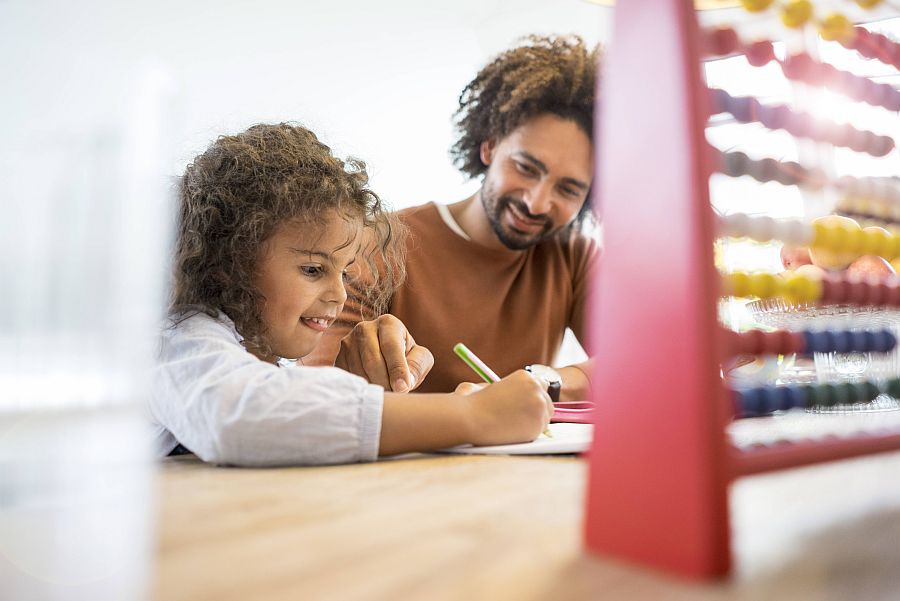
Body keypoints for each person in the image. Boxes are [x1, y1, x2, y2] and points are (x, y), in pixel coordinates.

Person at [149, 123, 553, 466]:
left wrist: (352, 385)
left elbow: (282, 420)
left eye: (344, 272)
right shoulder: (176, 337)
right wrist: (471, 414)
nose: (340, 294)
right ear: (226, 263)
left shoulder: (251, 356)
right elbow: (235, 417)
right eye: (313, 269)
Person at [310, 35, 600, 400]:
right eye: (526, 167)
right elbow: (317, 393)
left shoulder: (573, 257)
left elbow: (634, 367)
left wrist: (539, 382)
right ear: (489, 145)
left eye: (569, 189)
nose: (538, 203)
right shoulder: (377, 244)